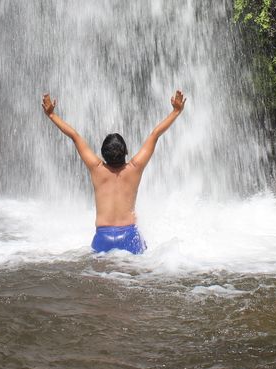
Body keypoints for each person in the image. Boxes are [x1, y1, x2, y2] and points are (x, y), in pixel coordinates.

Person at [41, 90, 186, 254]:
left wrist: (52, 115)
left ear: (102, 154)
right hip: (130, 237)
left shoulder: (96, 168)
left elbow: (75, 136)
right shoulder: (135, 168)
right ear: (126, 152)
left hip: (102, 238)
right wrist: (176, 111)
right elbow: (155, 135)